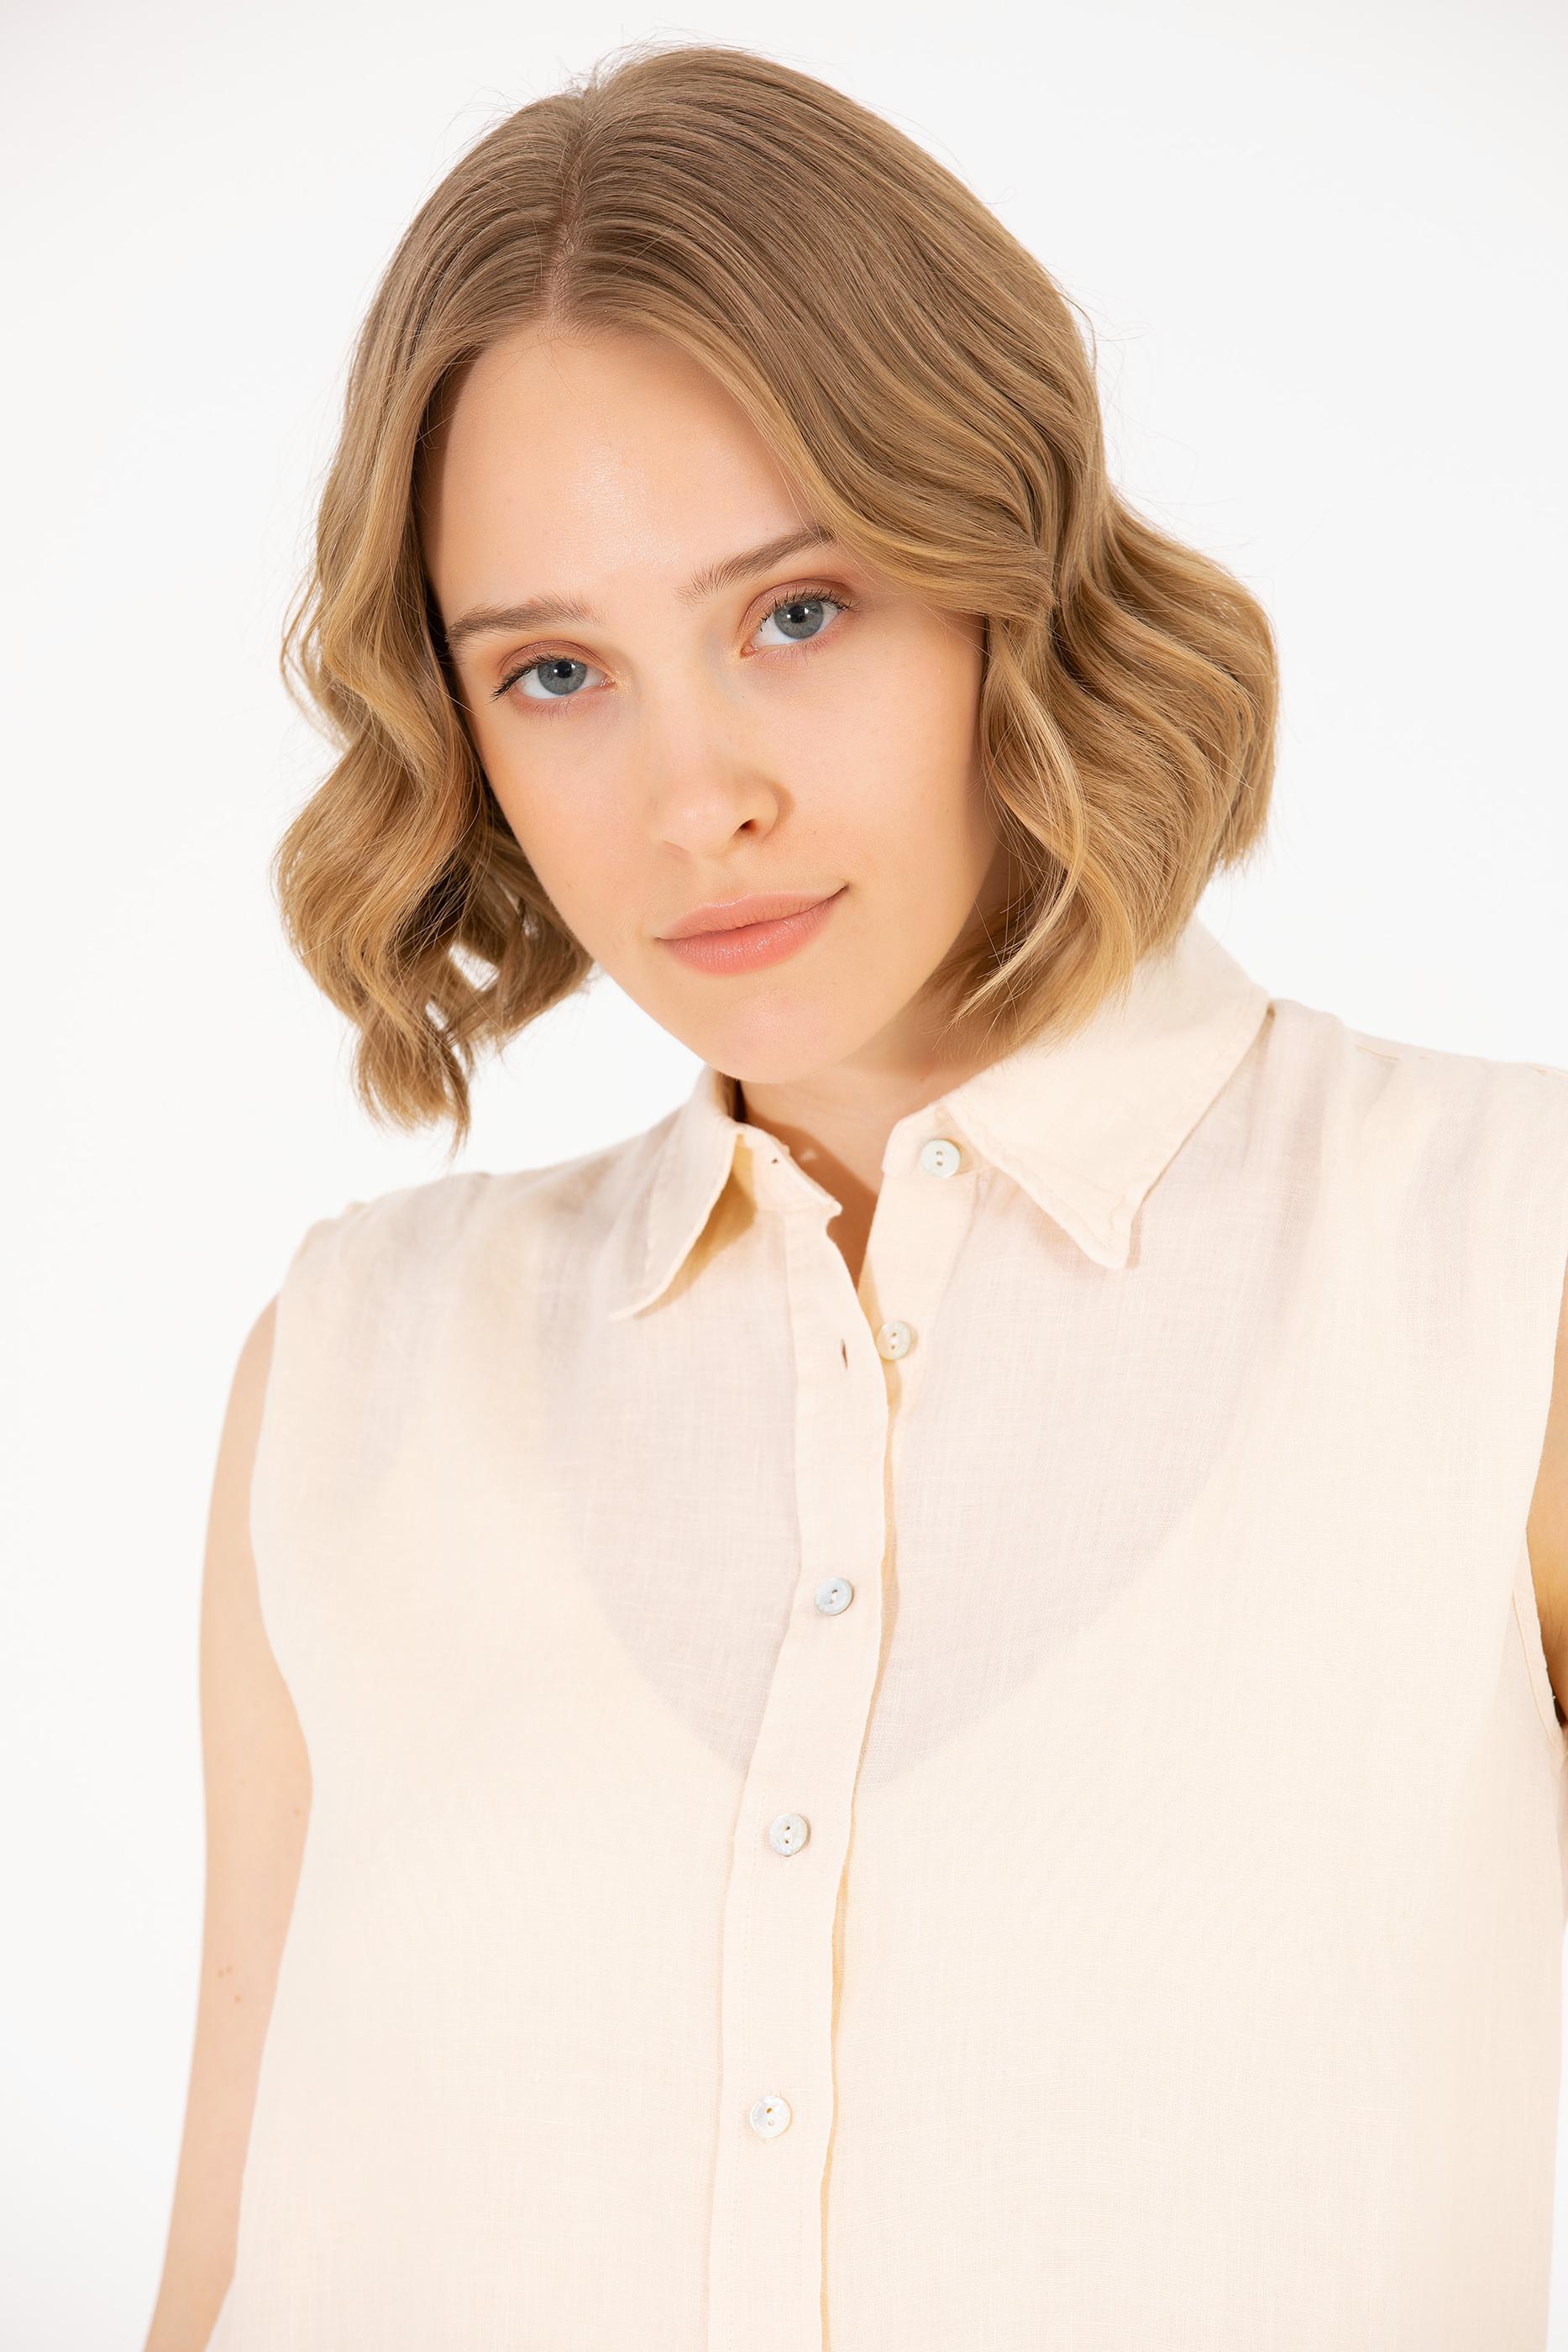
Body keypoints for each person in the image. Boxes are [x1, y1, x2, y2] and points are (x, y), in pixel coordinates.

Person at [143, 38, 1568, 2352]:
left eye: (796, 613)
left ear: (1002, 570)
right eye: (557, 670)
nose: (692, 795)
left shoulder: (1499, 1272)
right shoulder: (355, 1377)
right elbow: (220, 2278)